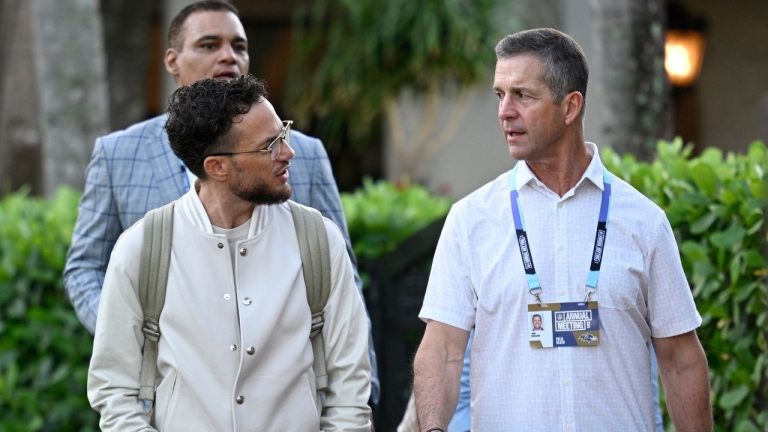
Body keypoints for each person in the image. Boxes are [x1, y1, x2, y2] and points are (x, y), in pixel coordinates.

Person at [63, 0, 379, 403]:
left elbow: (341, 274)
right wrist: (133, 333)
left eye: (239, 46)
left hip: (282, 397)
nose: (228, 56)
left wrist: (363, 394)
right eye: (210, 45)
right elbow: (85, 266)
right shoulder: (118, 154)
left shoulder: (303, 153)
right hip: (164, 397)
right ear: (172, 60)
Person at [412, 28, 712, 431]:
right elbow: (442, 350)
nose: (505, 111)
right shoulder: (471, 220)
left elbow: (680, 360)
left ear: (570, 107)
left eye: (523, 95)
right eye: (500, 95)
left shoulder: (644, 221)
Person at [87, 74, 372, 430]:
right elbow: (114, 389)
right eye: (270, 145)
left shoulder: (317, 239)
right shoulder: (142, 247)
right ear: (217, 167)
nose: (288, 152)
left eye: (283, 132)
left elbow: (351, 383)